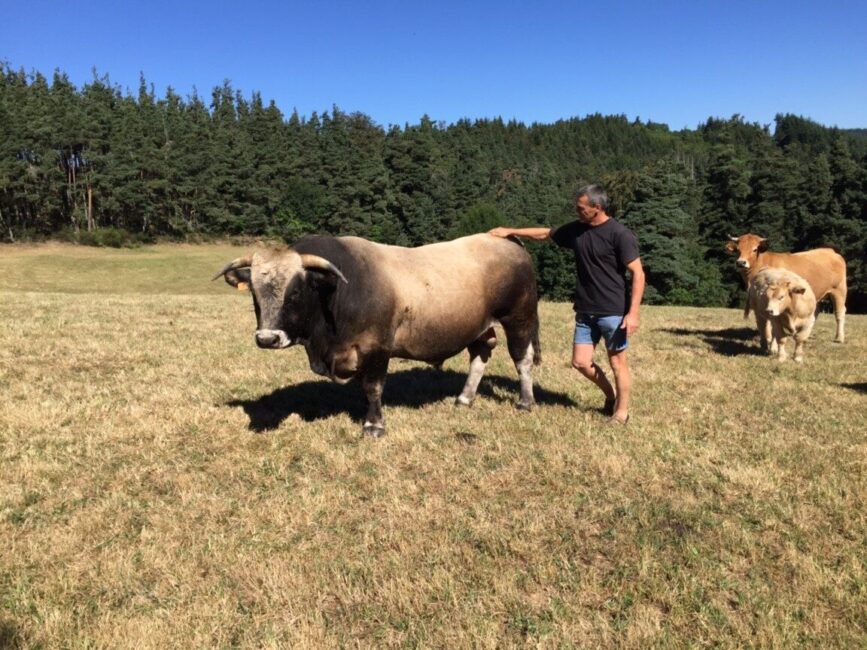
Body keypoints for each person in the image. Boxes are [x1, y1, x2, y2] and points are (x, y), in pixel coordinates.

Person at [489, 184, 645, 425]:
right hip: (585, 310)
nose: (577, 211)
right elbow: (545, 234)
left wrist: (633, 313)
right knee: (580, 362)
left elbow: (638, 273)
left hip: (613, 312)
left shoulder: (619, 234)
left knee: (617, 362)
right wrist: (510, 231)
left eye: (581, 208)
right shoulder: (578, 230)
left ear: (597, 207)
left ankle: (621, 413)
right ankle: (610, 395)